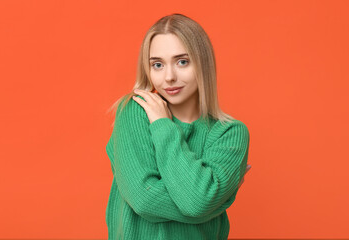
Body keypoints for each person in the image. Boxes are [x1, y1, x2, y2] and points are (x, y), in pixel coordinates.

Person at [105, 13, 251, 240]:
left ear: (203, 64)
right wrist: (218, 199)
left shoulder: (230, 133)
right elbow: (144, 200)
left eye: (182, 62)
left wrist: (163, 126)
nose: (169, 77)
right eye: (158, 65)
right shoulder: (135, 111)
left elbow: (196, 202)